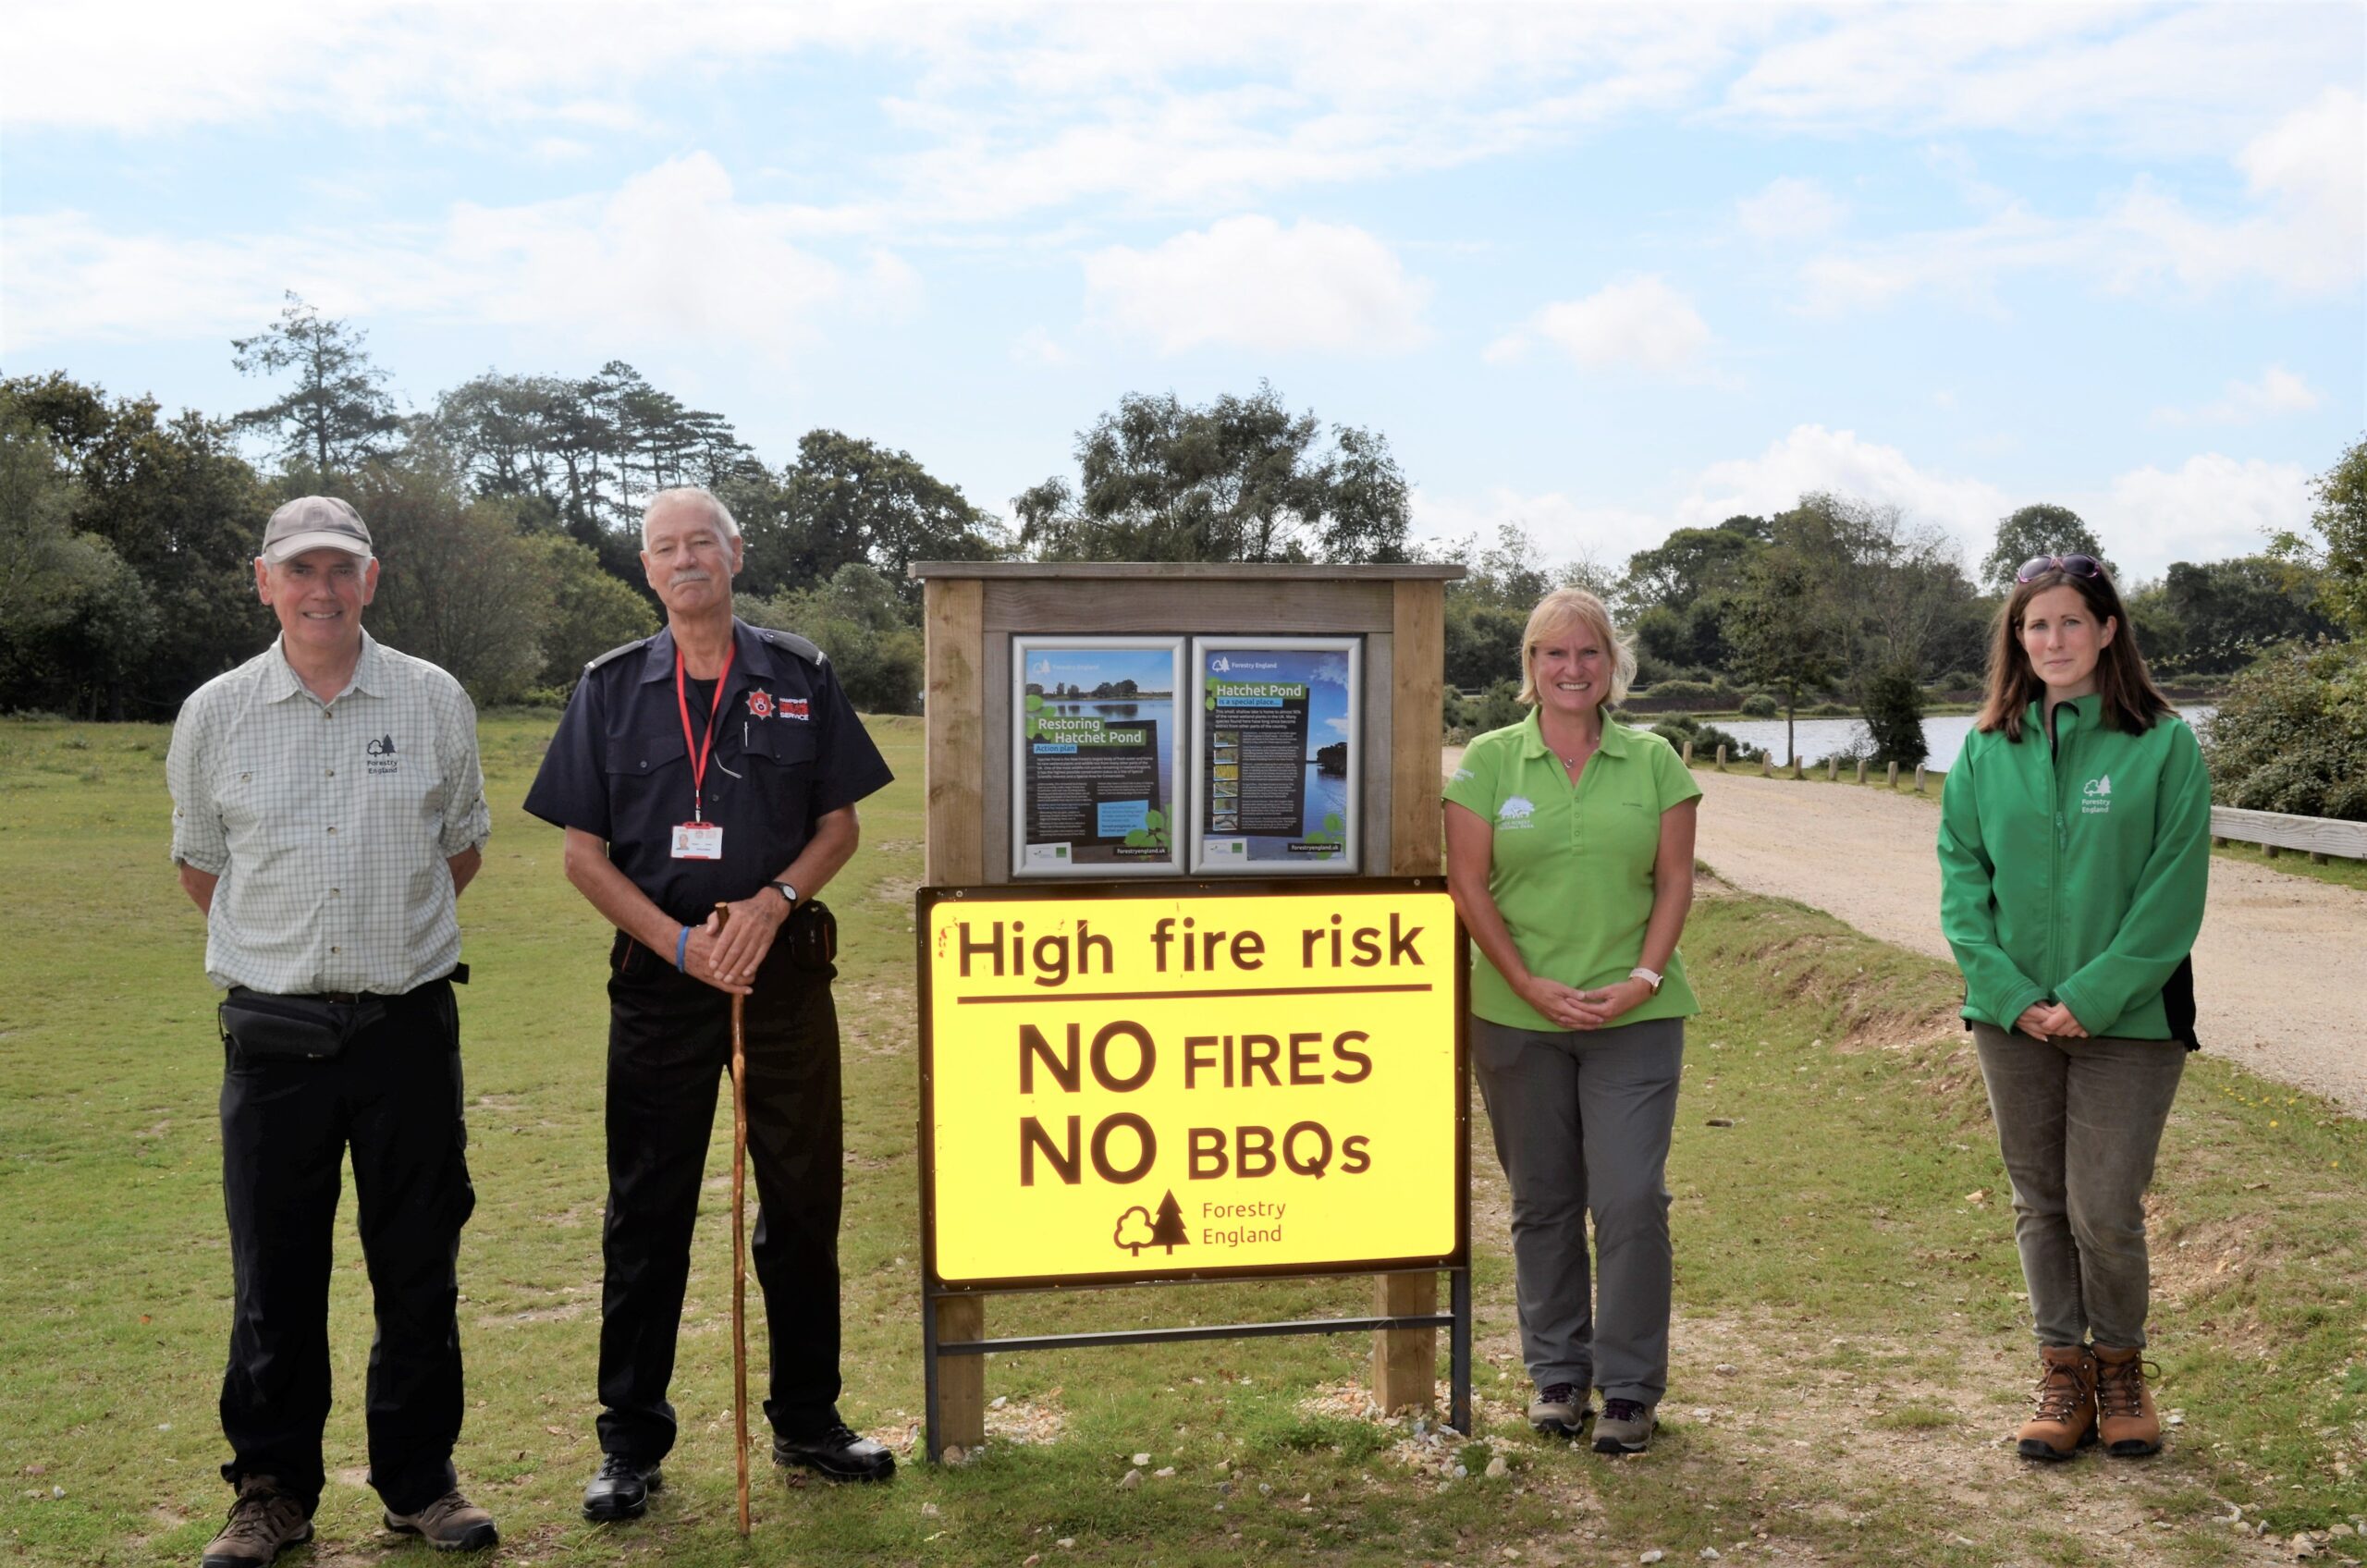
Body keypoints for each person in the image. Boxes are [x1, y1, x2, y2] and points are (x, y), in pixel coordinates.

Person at [522, 485, 897, 1522]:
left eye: (702, 542)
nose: (685, 559)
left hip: (779, 980)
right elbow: (581, 855)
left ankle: (809, 1420)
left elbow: (839, 828)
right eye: (664, 547)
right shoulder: (607, 688)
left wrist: (772, 907)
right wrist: (683, 944)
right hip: (660, 981)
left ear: (734, 554)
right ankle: (630, 1444)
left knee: (802, 1199)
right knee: (645, 1211)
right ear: (646, 570)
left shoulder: (800, 673)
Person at [166, 496, 497, 1567]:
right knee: (276, 1273)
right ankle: (272, 1492)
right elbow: (202, 868)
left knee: (417, 1267)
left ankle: (419, 1483)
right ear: (263, 581)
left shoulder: (434, 698)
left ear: (372, 577)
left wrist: (374, 953)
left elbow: (459, 851)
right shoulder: (216, 712)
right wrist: (290, 956)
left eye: (340, 569)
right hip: (272, 1042)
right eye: (299, 569)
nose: (322, 589)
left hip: (405, 1026)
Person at [1939, 553, 2210, 1463]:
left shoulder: (2164, 744)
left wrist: (2088, 997)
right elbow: (1960, 885)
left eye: (2068, 622)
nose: (2051, 639)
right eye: (2033, 625)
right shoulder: (1984, 748)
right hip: (2009, 1021)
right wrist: (2013, 997)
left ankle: (2122, 1369)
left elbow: (2171, 897)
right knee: (2039, 1202)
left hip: (2127, 1022)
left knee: (2103, 1205)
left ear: (2106, 631)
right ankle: (2062, 1374)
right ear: (2016, 640)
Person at [1443, 588, 1701, 1455]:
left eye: (1588, 653)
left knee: (1630, 1196)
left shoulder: (1656, 760)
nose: (1571, 668)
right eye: (1553, 653)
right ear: (1529, 667)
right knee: (1544, 1201)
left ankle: (1629, 1389)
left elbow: (1673, 882)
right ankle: (1558, 1376)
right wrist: (1524, 983)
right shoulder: (1487, 762)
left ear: (1611, 666)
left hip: (1635, 1015)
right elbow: (1469, 886)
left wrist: (1640, 978)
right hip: (1518, 1018)